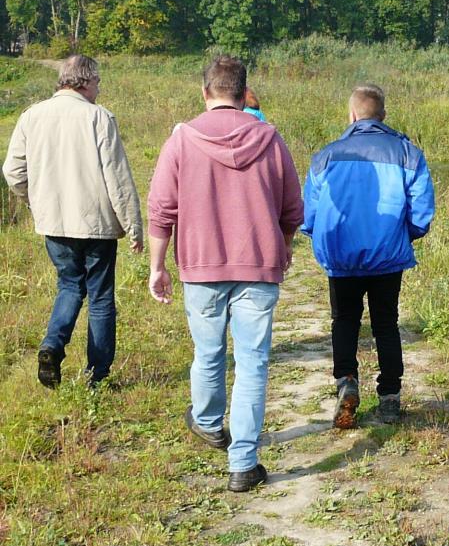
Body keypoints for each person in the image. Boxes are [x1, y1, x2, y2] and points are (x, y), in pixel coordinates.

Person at [147, 55, 303, 492]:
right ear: (242, 92)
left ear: (205, 92)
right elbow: (292, 208)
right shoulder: (271, 139)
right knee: (253, 363)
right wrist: (284, 243)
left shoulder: (181, 139)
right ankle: (243, 463)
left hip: (201, 266)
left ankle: (210, 424)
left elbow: (161, 210)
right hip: (258, 264)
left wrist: (157, 266)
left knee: (209, 352)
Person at [2, 55, 143, 389]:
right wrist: (134, 226)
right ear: (85, 81)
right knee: (100, 297)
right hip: (96, 225)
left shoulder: (31, 116)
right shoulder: (99, 118)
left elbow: (12, 171)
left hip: (54, 223)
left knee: (68, 286)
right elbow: (117, 179)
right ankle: (97, 376)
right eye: (97, 83)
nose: (98, 89)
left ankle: (53, 344)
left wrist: (35, 201)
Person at [301, 83, 435, 429]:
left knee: (344, 321)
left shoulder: (327, 155)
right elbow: (421, 214)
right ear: (383, 115)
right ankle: (389, 397)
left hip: (342, 258)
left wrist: (325, 239)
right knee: (386, 324)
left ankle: (346, 383)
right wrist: (402, 236)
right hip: (387, 257)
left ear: (352, 115)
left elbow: (310, 215)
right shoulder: (408, 154)